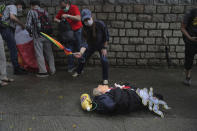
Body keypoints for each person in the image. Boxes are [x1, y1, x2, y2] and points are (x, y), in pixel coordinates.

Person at [73, 9, 109, 85]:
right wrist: (81, 52)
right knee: (83, 58)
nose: (87, 21)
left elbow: (106, 37)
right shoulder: (84, 29)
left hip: (101, 45)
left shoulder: (100, 24)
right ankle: (78, 71)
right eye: (85, 20)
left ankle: (105, 78)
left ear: (92, 17)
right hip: (91, 46)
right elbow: (84, 43)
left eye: (88, 19)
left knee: (104, 60)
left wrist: (104, 48)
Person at [26, 0, 56, 77]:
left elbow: (28, 25)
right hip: (47, 35)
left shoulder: (31, 12)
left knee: (39, 53)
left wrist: (30, 33)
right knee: (49, 53)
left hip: (37, 36)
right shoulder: (44, 11)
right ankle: (53, 70)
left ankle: (43, 72)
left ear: (32, 5)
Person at [54, 0, 83, 73]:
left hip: (77, 31)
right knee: (69, 49)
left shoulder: (74, 7)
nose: (63, 9)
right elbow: (55, 18)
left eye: (63, 6)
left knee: (79, 48)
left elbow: (78, 18)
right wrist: (61, 21)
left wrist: (68, 16)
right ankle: (71, 67)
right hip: (68, 33)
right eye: (61, 7)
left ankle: (80, 68)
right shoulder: (62, 10)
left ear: (67, 4)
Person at [0, 0, 27, 75]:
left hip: (5, 28)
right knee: (13, 48)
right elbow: (12, 17)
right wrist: (22, 24)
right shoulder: (13, 6)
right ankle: (16, 69)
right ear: (19, 4)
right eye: (21, 7)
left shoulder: (9, 7)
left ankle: (17, 67)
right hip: (6, 29)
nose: (21, 9)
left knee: (12, 48)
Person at [181, 8, 197, 86]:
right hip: (191, 41)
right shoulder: (190, 13)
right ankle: (188, 78)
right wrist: (190, 38)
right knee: (189, 60)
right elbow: (183, 28)